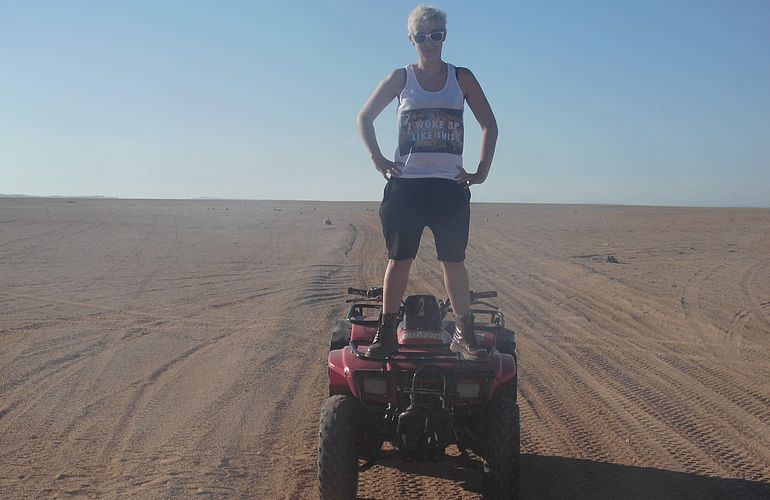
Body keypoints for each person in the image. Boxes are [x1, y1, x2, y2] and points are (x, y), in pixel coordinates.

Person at [356, 4, 498, 360]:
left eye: (436, 34)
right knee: (399, 260)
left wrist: (481, 170)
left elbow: (489, 125)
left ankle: (465, 335)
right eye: (422, 36)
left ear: (444, 36)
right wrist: (379, 160)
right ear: (411, 39)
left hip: (449, 187)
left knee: (453, 261)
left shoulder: (461, 77)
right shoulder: (400, 79)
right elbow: (365, 117)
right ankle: (386, 335)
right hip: (407, 187)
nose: (430, 42)